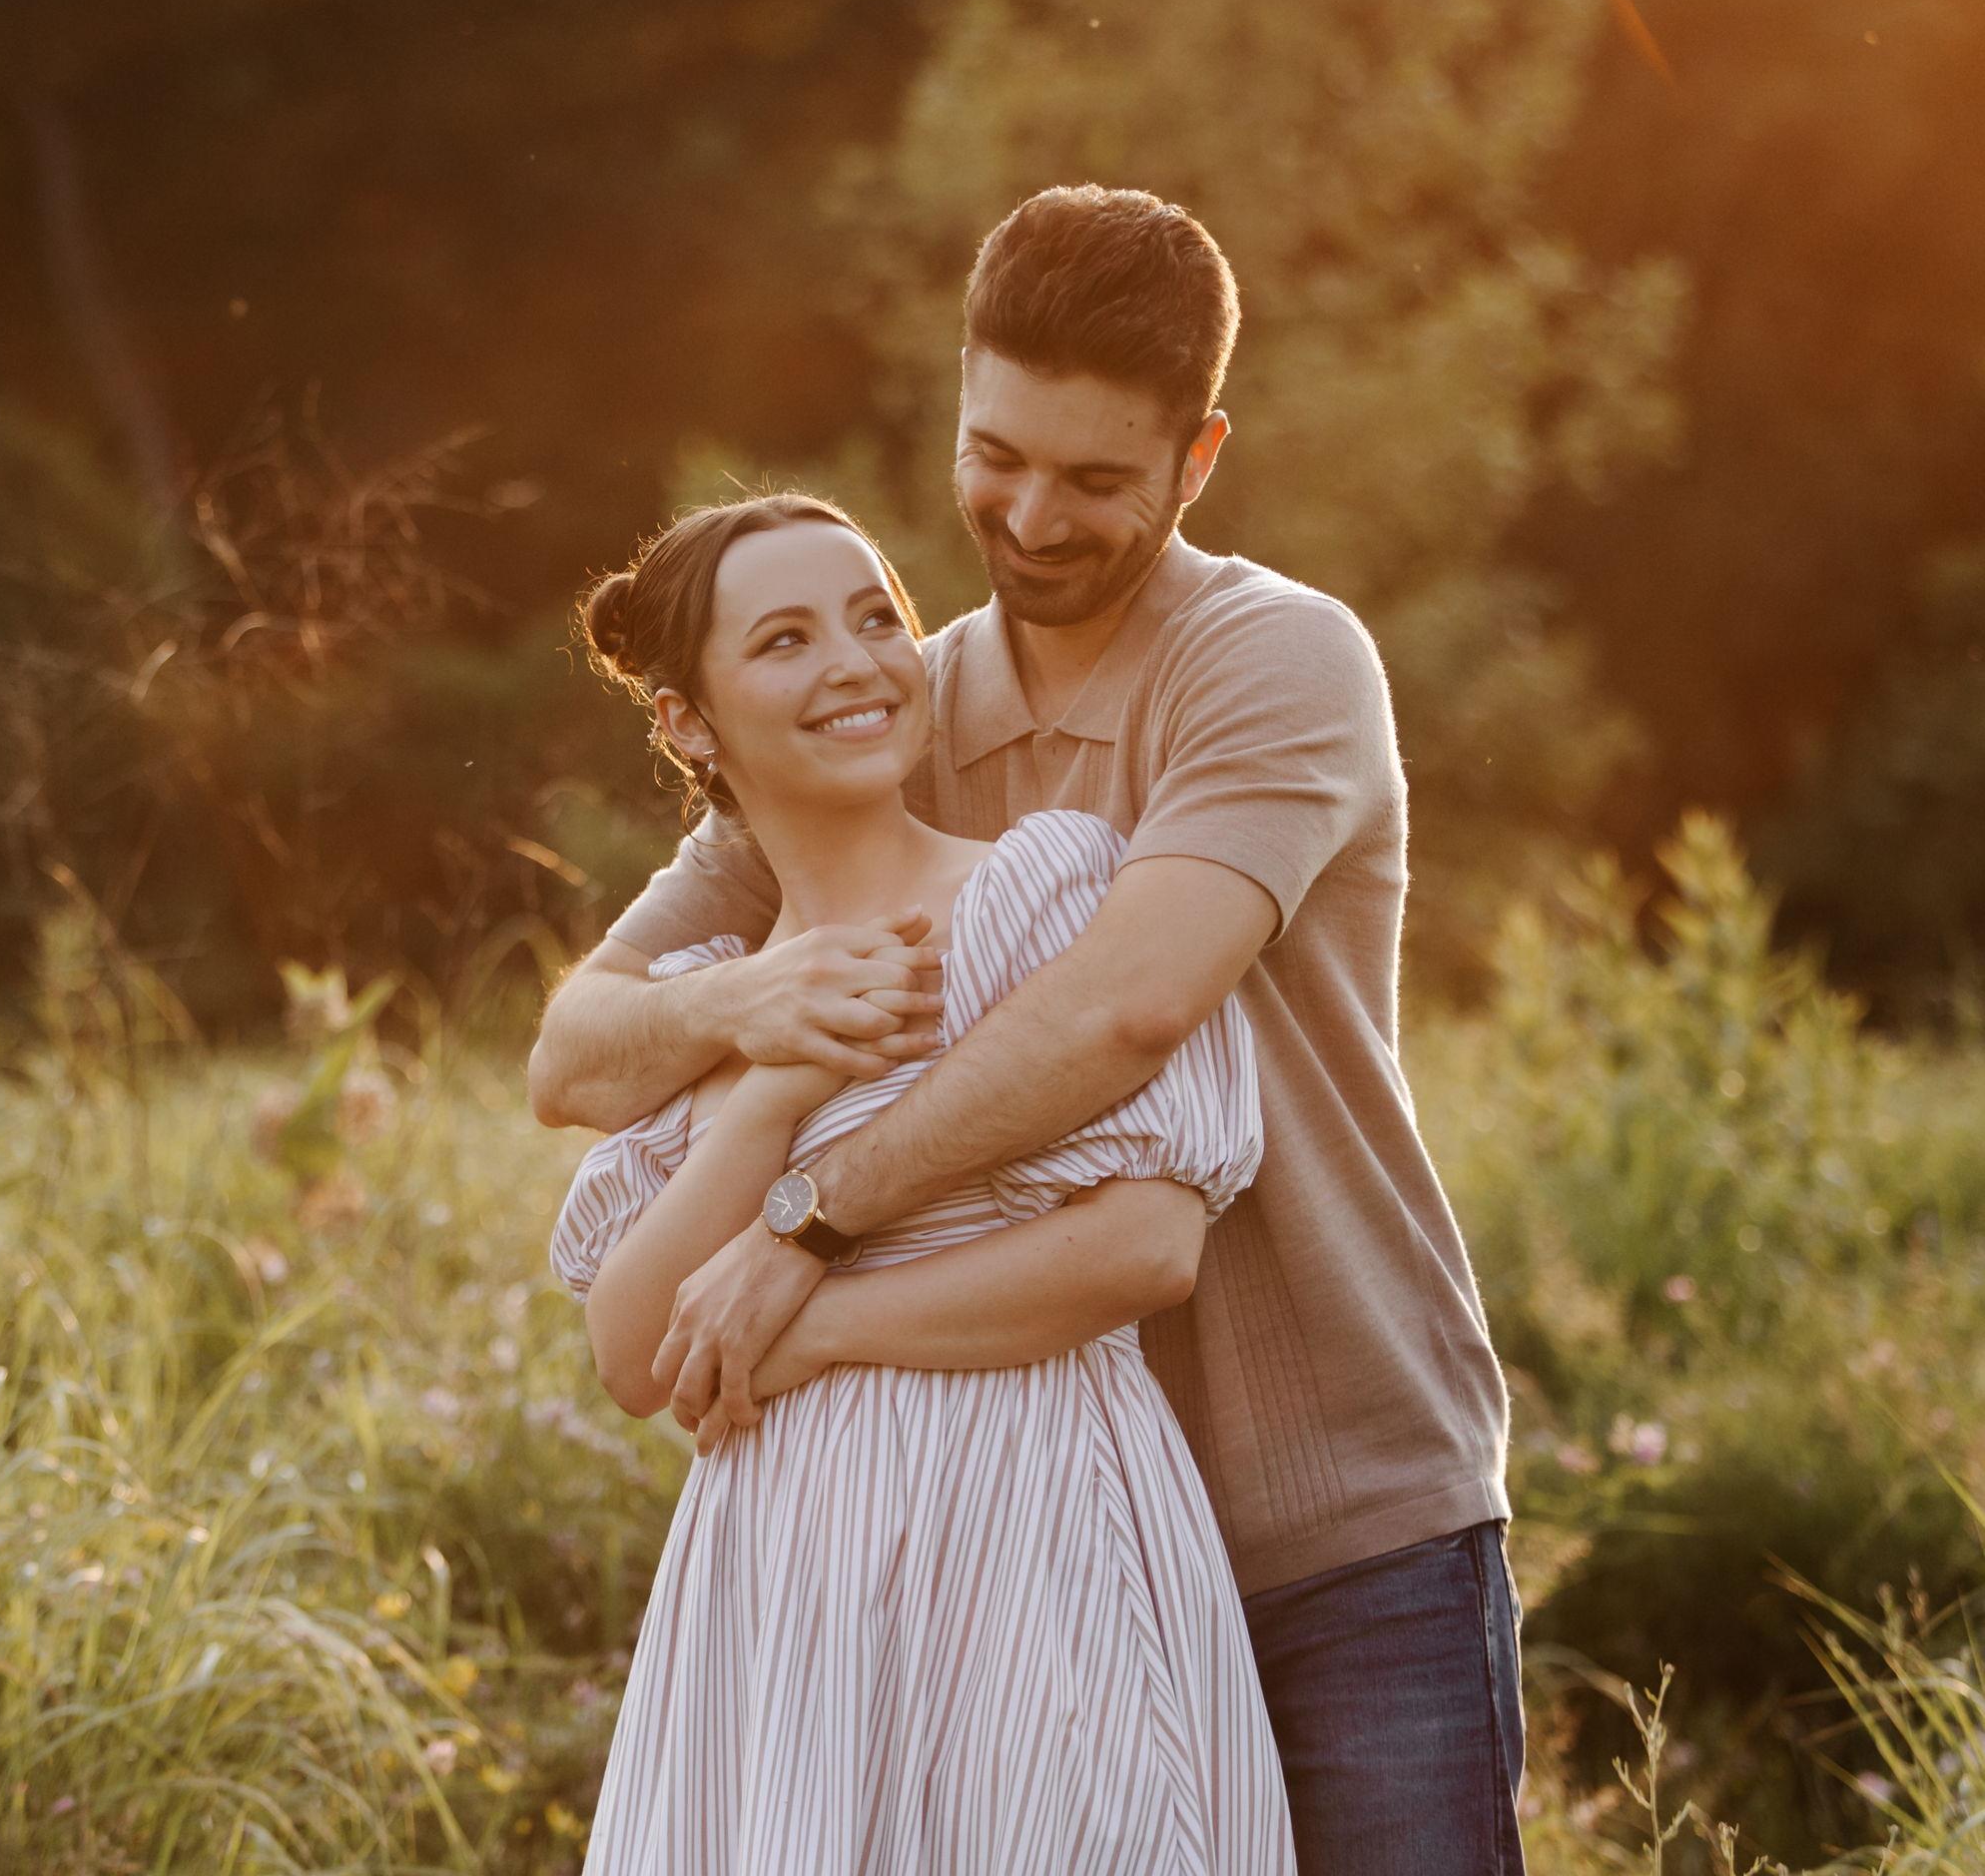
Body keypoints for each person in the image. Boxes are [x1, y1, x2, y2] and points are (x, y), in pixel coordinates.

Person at [533, 184, 1527, 1873]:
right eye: (997, 455)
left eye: (1095, 479)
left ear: (1198, 457)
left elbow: (1125, 1007)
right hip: (1015, 1529)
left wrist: (810, 1232)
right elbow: (580, 1050)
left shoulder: (1271, 662)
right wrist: (758, 1013)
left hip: (1330, 1517)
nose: (1030, 515)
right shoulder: (895, 699)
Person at [548, 491, 1295, 1874]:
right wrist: (774, 1077)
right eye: (783, 639)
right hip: (783, 1574)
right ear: (687, 723)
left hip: (1031, 1525)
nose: (855, 662)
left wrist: (810, 1324)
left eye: (877, 617)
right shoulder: (709, 1001)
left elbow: (1143, 1251)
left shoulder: (1045, 896)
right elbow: (635, 1355)